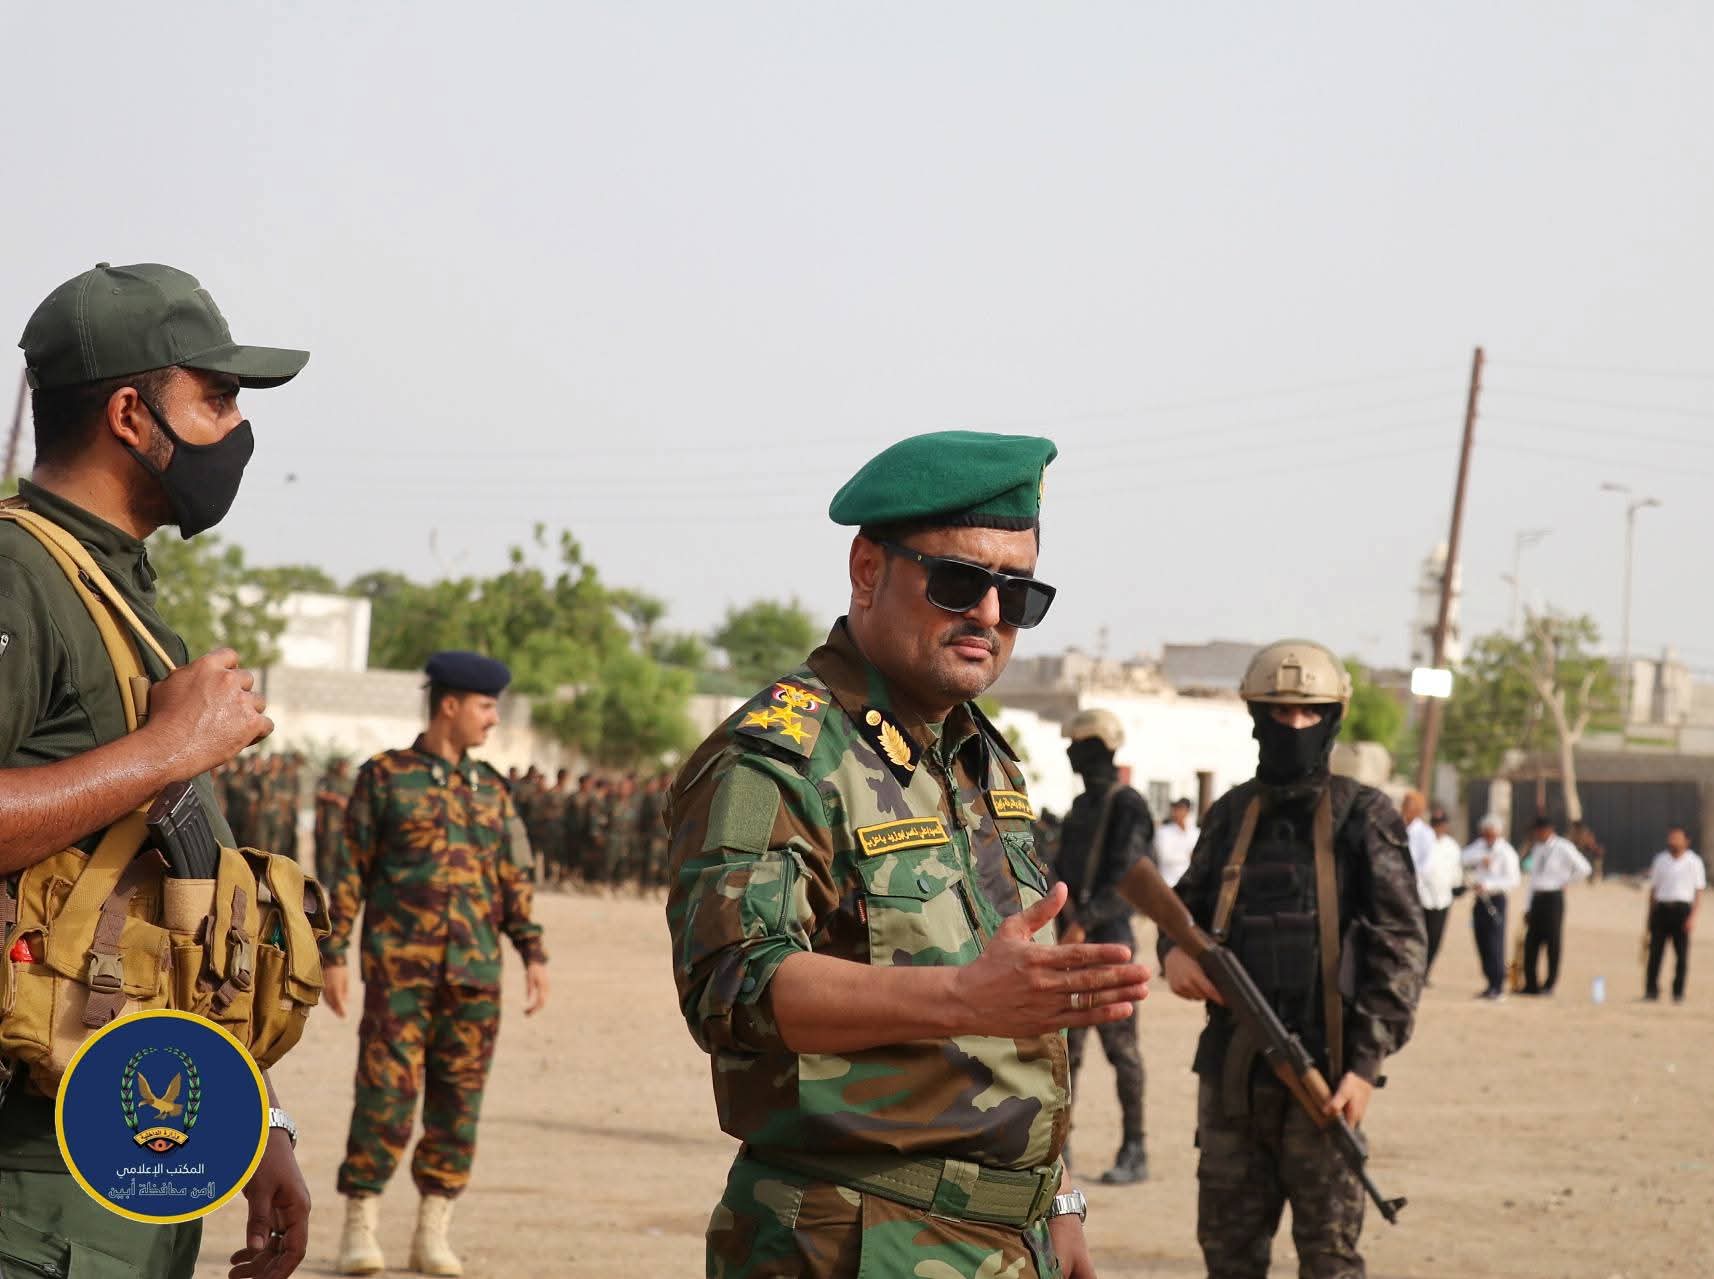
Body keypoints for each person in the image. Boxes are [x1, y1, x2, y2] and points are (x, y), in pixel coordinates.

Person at [667, 431, 1151, 1279]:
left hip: (1005, 1240)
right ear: (868, 569)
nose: (990, 615)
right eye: (959, 581)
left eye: (1018, 593)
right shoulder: (781, 758)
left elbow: (1009, 1017)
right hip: (855, 1239)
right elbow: (732, 984)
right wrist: (963, 996)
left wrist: (1055, 1196)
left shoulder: (980, 757)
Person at [0, 261, 312, 1277]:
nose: (237, 428)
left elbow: (165, 888)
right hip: (29, 1170)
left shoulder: (112, 589)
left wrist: (261, 1119)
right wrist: (167, 750)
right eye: (215, 397)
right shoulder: (19, 574)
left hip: (130, 1142)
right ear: (131, 415)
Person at [1161, 639, 1425, 1279]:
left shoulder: (1364, 816)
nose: (1294, 725)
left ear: (1332, 718)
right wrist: (1173, 956)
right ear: (1257, 715)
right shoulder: (1232, 813)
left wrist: (1364, 1068)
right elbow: (1181, 909)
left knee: (1329, 1259)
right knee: (1228, 1257)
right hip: (1232, 1084)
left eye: (1309, 713)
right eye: (1279, 712)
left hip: (1325, 1083)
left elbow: (1400, 950)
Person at [322, 651, 551, 1277]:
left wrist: (532, 952)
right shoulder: (385, 778)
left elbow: (513, 879)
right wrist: (334, 953)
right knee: (384, 1095)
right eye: (486, 707)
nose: (494, 719)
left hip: (475, 976)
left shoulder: (492, 789)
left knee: (459, 1101)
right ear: (450, 705)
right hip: (400, 972)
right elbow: (349, 869)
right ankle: (360, 1225)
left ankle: (432, 1230)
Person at [1054, 708, 1154, 1186]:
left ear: (1099, 749)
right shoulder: (1080, 807)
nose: (1071, 754)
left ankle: (1135, 1147)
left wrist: (1084, 922)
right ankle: (1060, 1146)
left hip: (1111, 945)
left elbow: (1130, 881)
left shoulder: (1128, 805)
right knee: (1066, 1054)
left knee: (1122, 1052)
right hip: (1073, 945)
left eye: (1078, 746)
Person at [1519, 814, 1591, 996]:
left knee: (1552, 942)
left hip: (1553, 898)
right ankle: (1531, 984)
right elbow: (1533, 880)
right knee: (1531, 942)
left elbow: (1584, 868)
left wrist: (1566, 882)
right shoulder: (1537, 848)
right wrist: (1527, 907)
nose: (1537, 834)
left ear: (1548, 830)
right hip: (1537, 898)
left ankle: (1549, 984)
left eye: (1539, 831)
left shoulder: (1563, 847)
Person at [1462, 815, 1520, 1001]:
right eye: (1485, 834)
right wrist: (1481, 858)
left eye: (1491, 834)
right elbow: (1462, 857)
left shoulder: (1506, 852)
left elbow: (1513, 880)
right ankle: (1489, 982)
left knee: (1495, 942)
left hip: (1496, 900)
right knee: (1482, 941)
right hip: (1480, 900)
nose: (1488, 838)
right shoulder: (1479, 846)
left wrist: (1489, 885)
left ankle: (1498, 984)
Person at [1645, 826, 1705, 1003]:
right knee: (1655, 953)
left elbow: (1699, 892)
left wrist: (1692, 917)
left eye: (1677, 838)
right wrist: (1650, 915)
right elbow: (1654, 889)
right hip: (1662, 909)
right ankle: (1651, 991)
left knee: (1681, 955)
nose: (1672, 841)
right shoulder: (1660, 860)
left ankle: (1678, 992)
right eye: (1671, 837)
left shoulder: (1694, 862)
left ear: (1686, 841)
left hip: (1682, 910)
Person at [1417, 808, 1465, 981]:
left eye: (1441, 824)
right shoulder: (1422, 842)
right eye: (1435, 824)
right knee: (1419, 937)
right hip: (1422, 897)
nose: (1438, 827)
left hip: (1442, 898)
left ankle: (1425, 972)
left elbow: (1456, 869)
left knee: (1435, 938)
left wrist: (1458, 885)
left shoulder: (1452, 846)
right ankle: (1416, 972)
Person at [314, 756, 355, 883]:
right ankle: (325, 881)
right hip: (329, 823)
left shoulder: (350, 782)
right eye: (342, 766)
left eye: (346, 767)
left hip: (344, 823)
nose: (344, 769)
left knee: (343, 852)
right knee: (328, 852)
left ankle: (338, 881)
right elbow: (319, 793)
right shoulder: (327, 779)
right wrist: (337, 799)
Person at [1153, 796, 1199, 888]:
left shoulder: (1195, 833)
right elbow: (1164, 856)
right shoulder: (1163, 832)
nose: (1177, 812)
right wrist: (1187, 856)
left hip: (1189, 884)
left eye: (1181, 809)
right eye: (1176, 809)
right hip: (1168, 882)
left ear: (1187, 811)